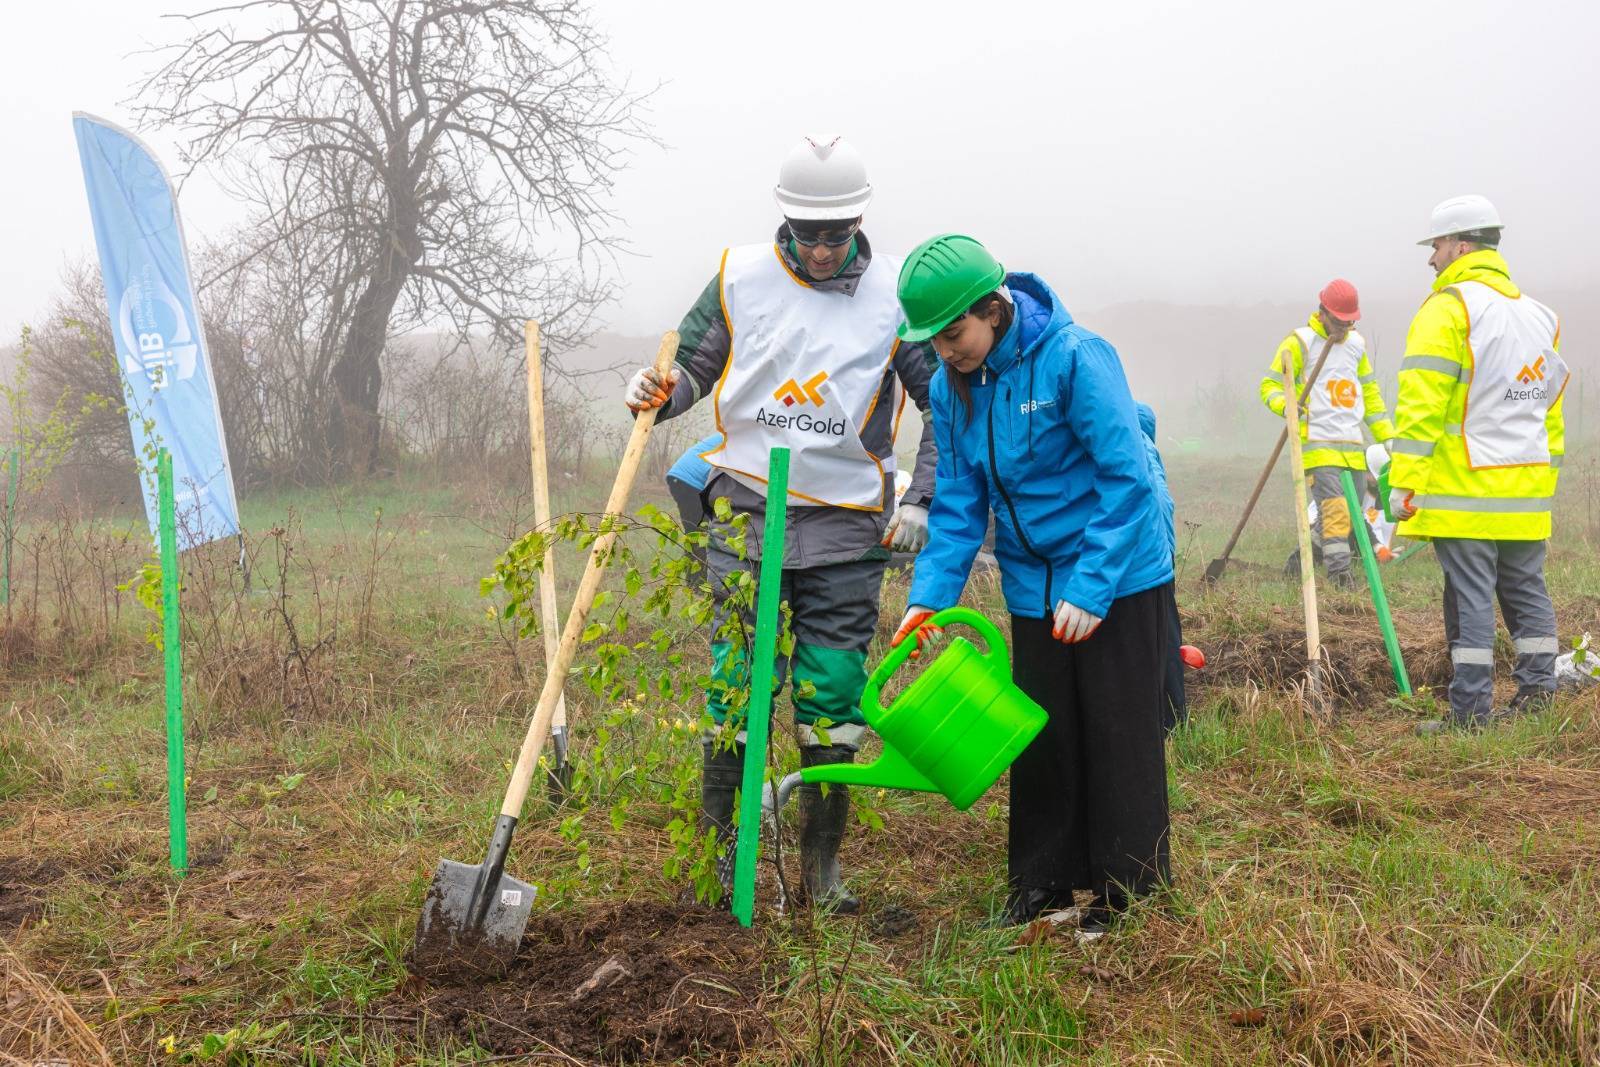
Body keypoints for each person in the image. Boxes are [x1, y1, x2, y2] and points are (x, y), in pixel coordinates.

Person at [623, 135, 937, 911]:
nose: (823, 249)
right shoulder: (741, 276)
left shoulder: (899, 293)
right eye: (808, 233)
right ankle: (721, 858)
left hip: (845, 525)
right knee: (736, 684)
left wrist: (921, 499)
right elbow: (693, 367)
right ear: (786, 222)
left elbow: (947, 411)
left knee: (832, 694)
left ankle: (821, 870)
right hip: (746, 508)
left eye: (837, 234)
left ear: (859, 220)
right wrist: (656, 392)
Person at [891, 234, 1173, 937]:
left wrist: (1092, 584)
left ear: (994, 307)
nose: (946, 351)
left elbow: (1127, 479)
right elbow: (959, 500)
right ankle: (1043, 887)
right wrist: (930, 594)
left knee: (1116, 729)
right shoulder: (948, 388)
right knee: (1042, 734)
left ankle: (1125, 894)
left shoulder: (1076, 357)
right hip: (1031, 582)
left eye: (955, 333)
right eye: (934, 340)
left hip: (1118, 571)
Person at [1388, 195, 1568, 734]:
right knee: (1526, 591)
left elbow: (1421, 406)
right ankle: (1538, 698)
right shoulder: (1541, 316)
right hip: (1526, 492)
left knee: (1469, 600)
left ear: (1461, 245)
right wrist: (1545, 477)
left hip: (1465, 491)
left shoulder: (1448, 310)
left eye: (1437, 246)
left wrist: (1404, 483)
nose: (1432, 258)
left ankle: (1470, 714)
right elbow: (1547, 409)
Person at [1260, 281, 1395, 588]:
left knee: (1348, 513)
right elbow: (1268, 386)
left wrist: (1386, 435)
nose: (1344, 329)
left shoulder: (1356, 345)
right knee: (1335, 510)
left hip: (1352, 443)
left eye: (1350, 323)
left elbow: (1370, 394)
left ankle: (1302, 556)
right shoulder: (1300, 342)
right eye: (1338, 322)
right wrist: (1287, 405)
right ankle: (1340, 575)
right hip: (1318, 444)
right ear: (1322, 313)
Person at [1138, 402, 1187, 733]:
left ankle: (1168, 718)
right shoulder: (1147, 445)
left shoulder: (1126, 445)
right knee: (1164, 631)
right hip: (1160, 551)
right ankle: (1173, 715)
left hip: (1142, 554)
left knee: (1150, 636)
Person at [664, 431, 724, 571]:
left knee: (698, 533)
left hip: (685, 479)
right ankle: (697, 585)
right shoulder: (739, 438)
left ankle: (695, 582)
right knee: (698, 534)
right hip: (688, 481)